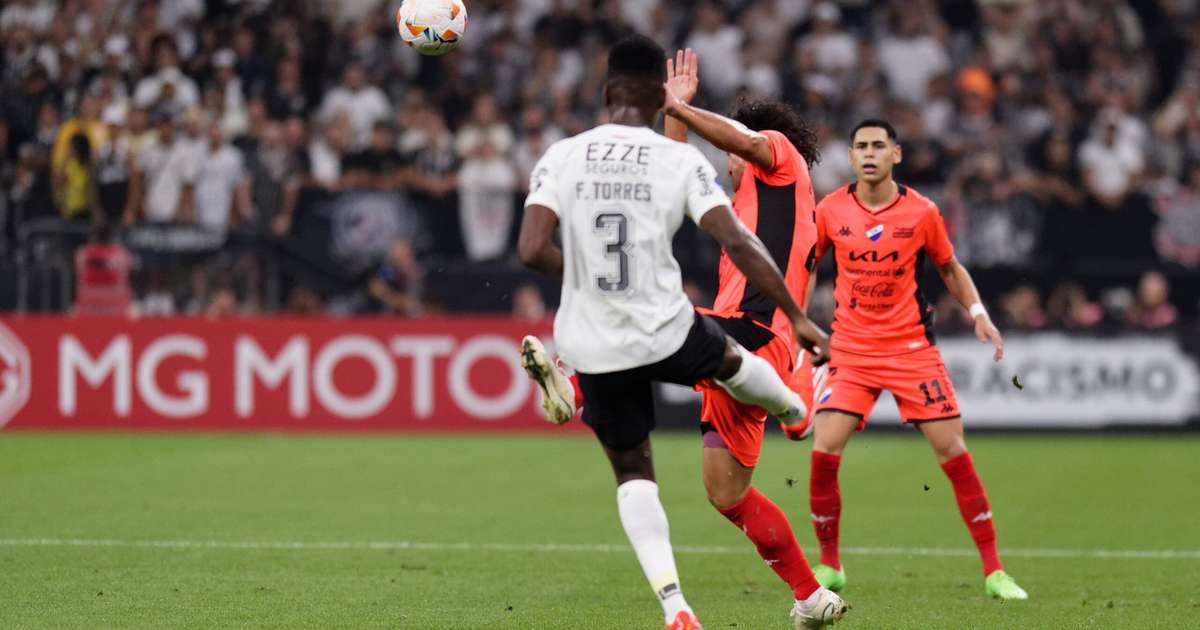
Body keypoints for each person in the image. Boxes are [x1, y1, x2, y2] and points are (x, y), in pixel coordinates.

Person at [515, 36, 845, 630]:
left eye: (734, 155)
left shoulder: (781, 159)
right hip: (748, 343)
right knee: (726, 494)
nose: (729, 162)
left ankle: (575, 387)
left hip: (754, 328)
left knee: (648, 324)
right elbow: (668, 178)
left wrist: (679, 105)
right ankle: (810, 595)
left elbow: (740, 140)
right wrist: (673, 116)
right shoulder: (751, 195)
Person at [805, 118, 1029, 601]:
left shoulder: (922, 212)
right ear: (851, 156)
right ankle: (830, 565)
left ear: (896, 155)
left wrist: (978, 314)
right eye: (860, 146)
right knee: (824, 450)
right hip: (851, 349)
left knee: (952, 450)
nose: (869, 153)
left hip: (911, 350)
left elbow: (948, 265)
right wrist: (800, 325)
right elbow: (807, 264)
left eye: (878, 146)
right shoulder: (831, 208)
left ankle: (994, 571)